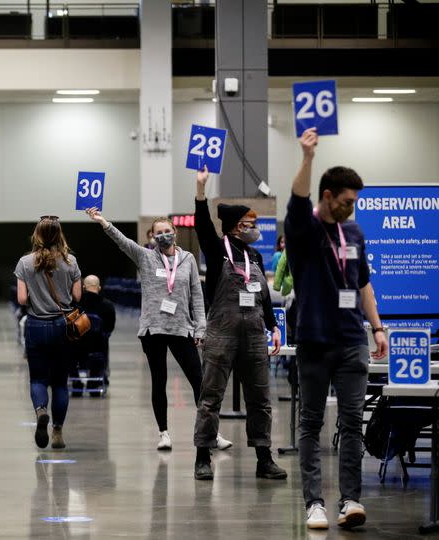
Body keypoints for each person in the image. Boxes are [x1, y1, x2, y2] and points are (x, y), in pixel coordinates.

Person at [285, 127, 387, 530]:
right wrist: (308, 158)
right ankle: (314, 503)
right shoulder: (304, 231)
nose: (351, 207)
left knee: (351, 421)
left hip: (351, 341)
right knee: (310, 422)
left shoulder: (356, 233)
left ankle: (350, 500)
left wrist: (377, 328)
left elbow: (362, 284)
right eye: (346, 201)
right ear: (328, 197)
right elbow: (297, 200)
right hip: (313, 341)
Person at [87, 209, 232, 451]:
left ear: (174, 233)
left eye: (167, 231)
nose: (163, 235)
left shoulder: (188, 261)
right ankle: (163, 433)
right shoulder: (146, 257)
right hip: (153, 329)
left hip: (181, 328)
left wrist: (200, 328)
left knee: (199, 381)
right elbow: (123, 242)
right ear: (152, 237)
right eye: (158, 233)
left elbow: (197, 295)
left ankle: (212, 433)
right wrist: (103, 222)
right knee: (159, 380)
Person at [192, 165, 285, 481]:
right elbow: (203, 225)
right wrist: (201, 190)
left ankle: (264, 458)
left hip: (255, 334)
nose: (254, 228)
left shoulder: (256, 258)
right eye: (249, 224)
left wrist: (273, 327)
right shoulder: (218, 250)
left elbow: (264, 297)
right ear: (234, 227)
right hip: (221, 334)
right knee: (210, 398)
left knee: (260, 399)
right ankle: (203, 456)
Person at [15, 216, 82, 450]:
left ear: (38, 235)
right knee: (61, 383)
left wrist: (38, 296)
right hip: (62, 326)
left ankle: (41, 409)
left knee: (38, 379)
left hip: (36, 324)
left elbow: (22, 299)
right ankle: (57, 432)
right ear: (60, 235)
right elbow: (77, 297)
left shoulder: (24, 262)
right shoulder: (71, 261)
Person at [69, 275, 116, 394]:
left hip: (76, 351)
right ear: (99, 287)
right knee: (103, 340)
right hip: (97, 352)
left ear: (84, 287)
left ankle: (77, 382)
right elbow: (109, 330)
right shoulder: (108, 306)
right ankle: (94, 381)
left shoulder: (74, 306)